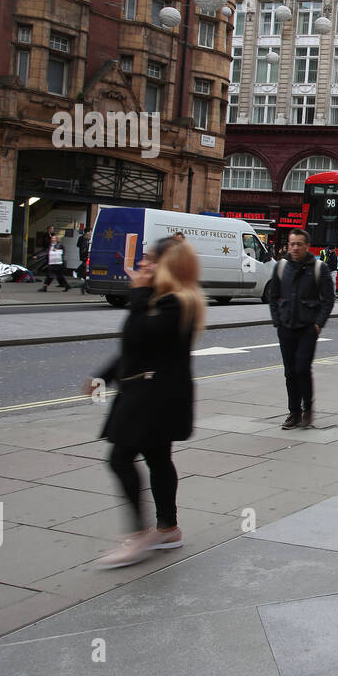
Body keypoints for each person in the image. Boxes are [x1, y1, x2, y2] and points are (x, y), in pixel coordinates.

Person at [91, 236, 205, 568]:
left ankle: (140, 536)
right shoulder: (166, 300)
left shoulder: (178, 303)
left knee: (120, 458)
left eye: (150, 260)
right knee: (157, 458)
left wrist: (138, 293)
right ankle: (168, 528)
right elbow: (136, 350)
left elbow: (136, 336)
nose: (143, 265)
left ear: (169, 266)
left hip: (152, 397)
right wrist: (103, 376)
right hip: (151, 393)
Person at [269, 228, 335, 429]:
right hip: (286, 326)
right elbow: (273, 296)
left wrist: (318, 324)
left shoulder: (318, 268)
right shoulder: (281, 267)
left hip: (308, 327)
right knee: (289, 372)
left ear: (307, 246)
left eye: (299, 244)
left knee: (302, 369)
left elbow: (328, 299)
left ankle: (308, 408)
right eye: (292, 244)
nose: (295, 248)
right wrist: (277, 320)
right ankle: (294, 412)